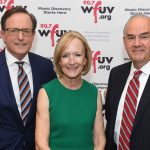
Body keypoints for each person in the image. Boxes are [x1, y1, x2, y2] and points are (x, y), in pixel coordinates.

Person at [35, 31, 106, 150]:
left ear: (85, 60)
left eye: (77, 55)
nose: (72, 62)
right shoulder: (46, 93)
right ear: (59, 60)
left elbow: (99, 140)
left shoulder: (94, 93)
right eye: (65, 55)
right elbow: (41, 143)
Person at [0, 6, 57, 150]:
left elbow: (53, 111)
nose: (20, 37)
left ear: (33, 35)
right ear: (2, 34)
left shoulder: (45, 67)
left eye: (26, 31)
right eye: (13, 31)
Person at [105, 14, 150, 150]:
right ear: (124, 42)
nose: (137, 43)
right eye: (131, 38)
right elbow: (110, 120)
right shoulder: (116, 74)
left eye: (144, 36)